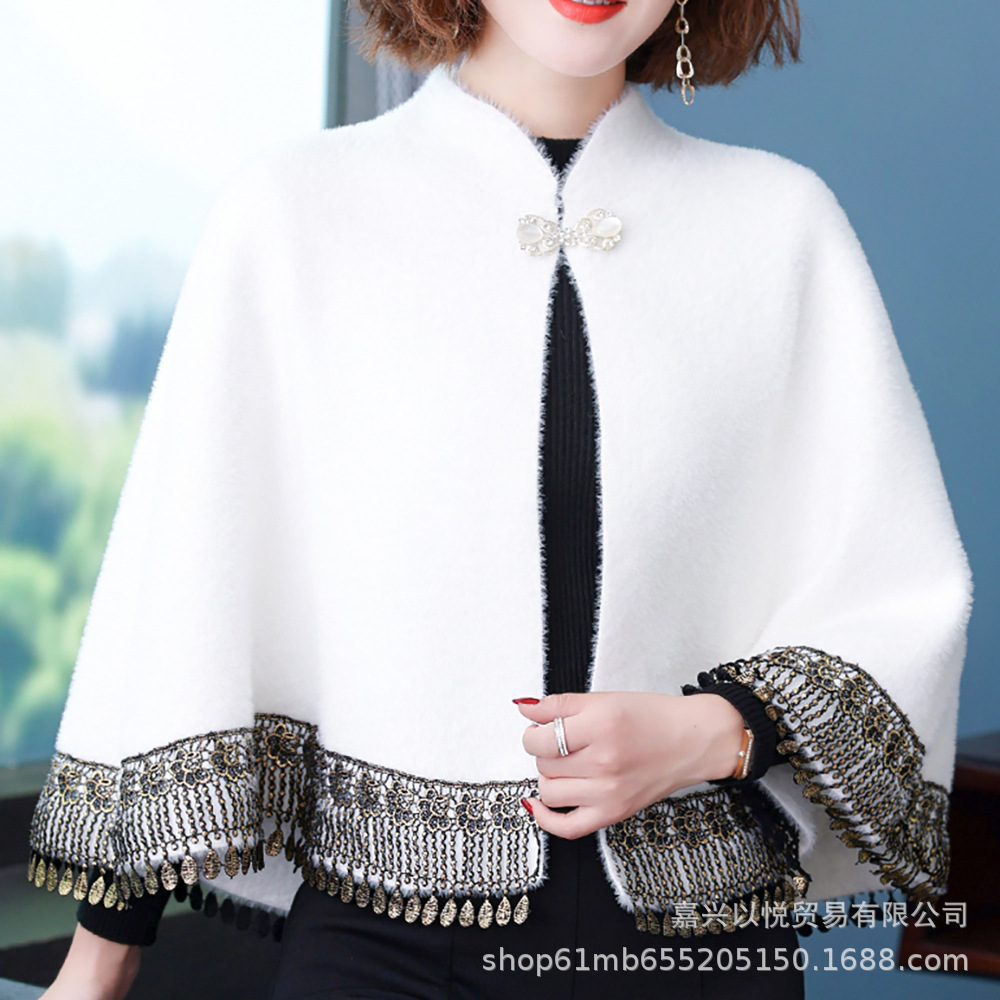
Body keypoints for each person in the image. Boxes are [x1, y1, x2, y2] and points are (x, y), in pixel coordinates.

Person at [28, 0, 972, 998]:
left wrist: (716, 730)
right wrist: (98, 961)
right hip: (380, 951)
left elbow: (896, 589)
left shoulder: (781, 226)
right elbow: (182, 576)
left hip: (705, 951)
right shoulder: (295, 213)